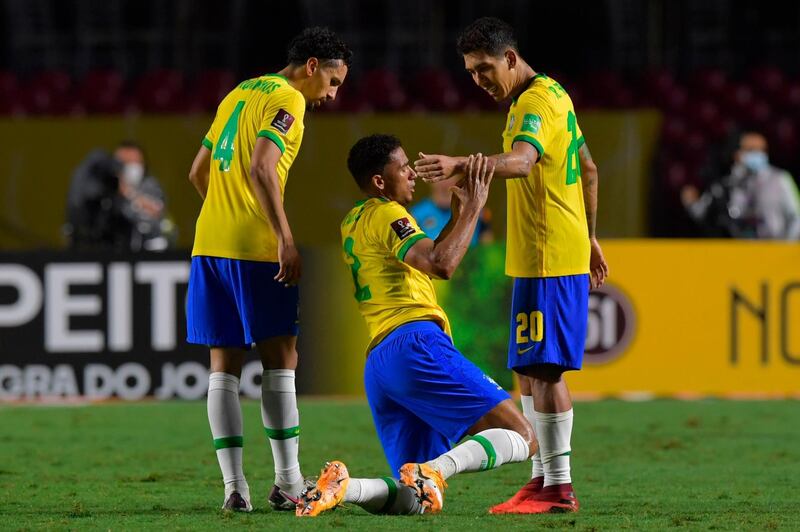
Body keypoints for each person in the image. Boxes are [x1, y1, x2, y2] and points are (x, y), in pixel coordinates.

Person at [413, 17, 609, 514]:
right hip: (538, 255)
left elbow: (522, 162)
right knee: (527, 369)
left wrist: (459, 163)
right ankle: (540, 478)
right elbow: (587, 168)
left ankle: (559, 487)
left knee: (545, 371)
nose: (478, 80)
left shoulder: (535, 102)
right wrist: (590, 237)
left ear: (510, 59)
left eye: (484, 68)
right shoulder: (555, 95)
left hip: (548, 256)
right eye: (470, 72)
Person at [296, 134, 538, 517]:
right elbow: (441, 264)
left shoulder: (353, 220)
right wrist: (474, 208)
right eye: (403, 167)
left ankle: (345, 487)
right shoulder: (387, 213)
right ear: (379, 181)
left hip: (380, 363)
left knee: (416, 499)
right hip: (414, 344)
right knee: (525, 437)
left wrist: (457, 218)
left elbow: (427, 253)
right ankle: (436, 469)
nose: (412, 174)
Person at [185, 27, 351, 512]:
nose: (333, 95)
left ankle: (235, 489)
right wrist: (283, 237)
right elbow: (262, 166)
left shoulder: (239, 92)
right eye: (335, 82)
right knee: (282, 360)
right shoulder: (289, 99)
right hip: (255, 250)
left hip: (208, 245)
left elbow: (197, 172)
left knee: (223, 369)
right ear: (313, 66)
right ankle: (289, 481)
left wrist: (225, 216)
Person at [681, 131, 800, 240]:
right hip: (740, 253)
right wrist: (691, 203)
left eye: (762, 150)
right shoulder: (725, 185)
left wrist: (786, 246)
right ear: (738, 154)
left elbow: (797, 216)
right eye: (751, 150)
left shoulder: (781, 179)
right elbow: (703, 213)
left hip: (776, 251)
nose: (758, 154)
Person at [113, 141, 177, 251]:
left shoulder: (150, 186)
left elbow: (156, 210)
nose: (131, 167)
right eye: (126, 162)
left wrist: (128, 192)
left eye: (135, 162)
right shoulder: (106, 188)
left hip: (147, 251)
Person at [409, 178, 493, 245]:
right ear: (431, 181)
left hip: (470, 263)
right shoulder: (416, 214)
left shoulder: (476, 211)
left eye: (449, 177)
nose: (445, 183)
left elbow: (487, 247)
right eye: (440, 177)